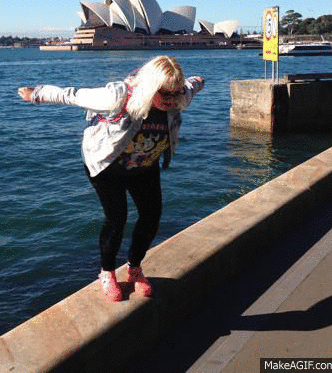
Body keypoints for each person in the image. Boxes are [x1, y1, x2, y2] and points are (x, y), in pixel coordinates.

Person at [18, 55, 204, 302]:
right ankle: (106, 272)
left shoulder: (179, 96)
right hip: (107, 167)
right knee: (117, 220)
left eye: (175, 93)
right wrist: (36, 94)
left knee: (151, 217)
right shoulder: (118, 96)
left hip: (144, 166)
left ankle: (134, 268)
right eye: (165, 94)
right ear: (150, 86)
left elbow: (191, 86)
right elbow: (73, 95)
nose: (171, 100)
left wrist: (198, 81)